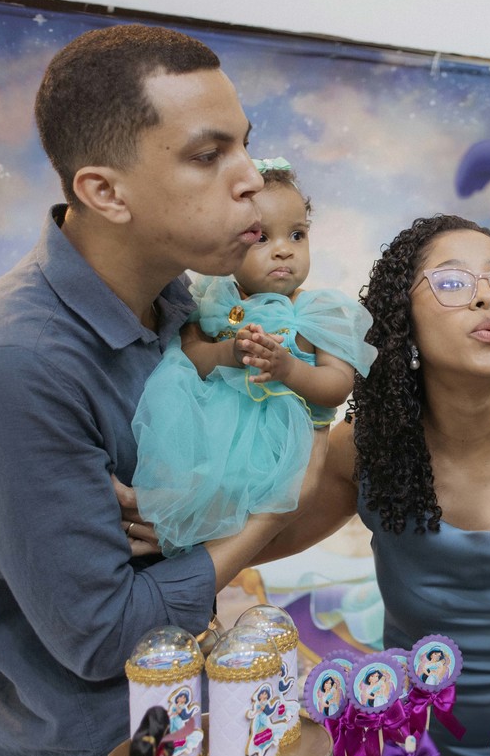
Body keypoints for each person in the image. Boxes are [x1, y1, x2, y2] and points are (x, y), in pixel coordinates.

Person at [0, 24, 322, 756]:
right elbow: (106, 635)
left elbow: (203, 518)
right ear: (104, 191)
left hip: (212, 715)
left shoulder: (180, 304)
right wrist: (273, 503)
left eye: (244, 145)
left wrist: (199, 518)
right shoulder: (13, 366)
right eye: (208, 155)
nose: (250, 180)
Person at [262, 214, 490, 756]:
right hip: (413, 749)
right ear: (403, 322)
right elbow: (258, 541)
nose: (487, 297)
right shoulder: (366, 450)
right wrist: (175, 528)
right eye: (452, 282)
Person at [131, 157, 375, 555]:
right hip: (210, 435)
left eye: (297, 235)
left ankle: (193, 550)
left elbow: (337, 386)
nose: (283, 251)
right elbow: (189, 358)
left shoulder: (318, 311)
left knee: (243, 512)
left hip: (279, 448)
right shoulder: (212, 299)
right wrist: (228, 352)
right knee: (187, 490)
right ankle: (168, 537)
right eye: (262, 238)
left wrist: (288, 368)